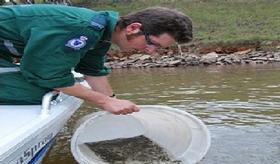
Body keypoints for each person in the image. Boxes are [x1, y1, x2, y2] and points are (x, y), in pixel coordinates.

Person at [0, 4, 193, 115]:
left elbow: (92, 70)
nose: (151, 51)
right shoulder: (81, 28)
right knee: (39, 91)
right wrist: (103, 102)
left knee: (61, 89)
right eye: (153, 43)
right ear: (133, 27)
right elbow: (47, 75)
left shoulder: (102, 33)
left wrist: (116, 107)